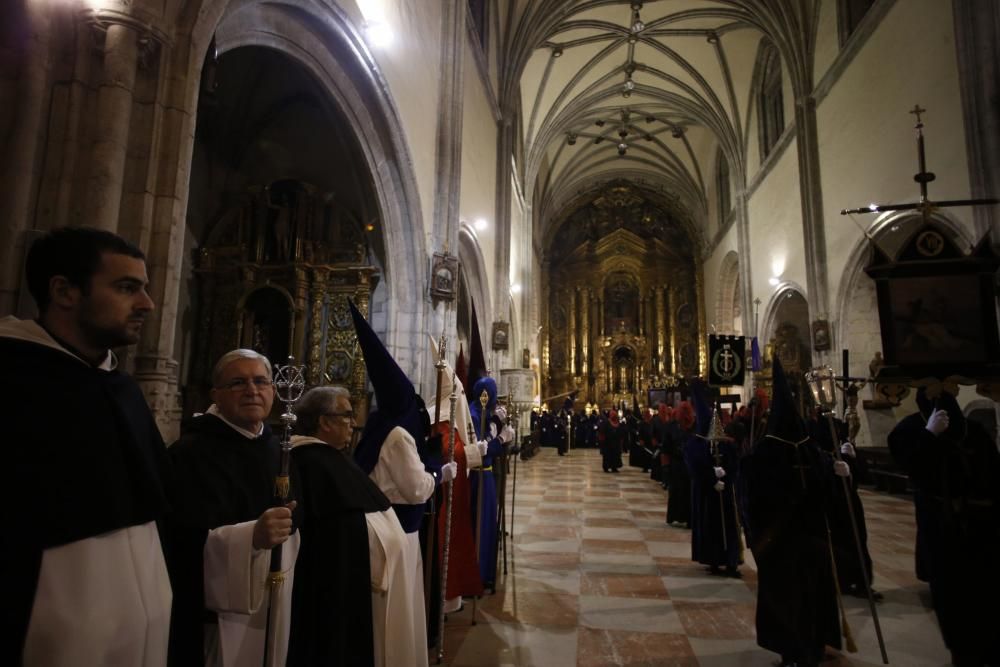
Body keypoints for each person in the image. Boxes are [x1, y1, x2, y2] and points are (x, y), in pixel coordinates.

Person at [2, 227, 171, 667]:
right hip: (52, 616)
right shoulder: (14, 378)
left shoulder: (124, 390)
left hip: (141, 619)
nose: (147, 304)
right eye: (126, 288)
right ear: (64, 291)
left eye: (145, 289)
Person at [165, 349, 301, 667]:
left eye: (261, 381)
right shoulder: (189, 454)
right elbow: (177, 539)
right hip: (217, 613)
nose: (252, 390)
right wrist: (250, 538)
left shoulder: (279, 448)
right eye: (238, 383)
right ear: (216, 395)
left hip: (276, 600)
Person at [348, 301, 456, 667]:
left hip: (383, 527)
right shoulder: (398, 436)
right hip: (397, 531)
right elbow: (416, 489)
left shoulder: (380, 425)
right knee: (395, 611)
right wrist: (438, 471)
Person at [286, 386, 411, 667]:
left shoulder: (331, 456)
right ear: (324, 421)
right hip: (332, 587)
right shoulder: (309, 460)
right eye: (346, 415)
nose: (353, 423)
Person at [742, 357, 843, 667]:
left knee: (793, 595)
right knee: (806, 594)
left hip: (782, 540)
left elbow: (748, 495)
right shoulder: (809, 449)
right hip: (803, 537)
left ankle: (795, 648)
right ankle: (808, 645)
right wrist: (835, 475)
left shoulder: (765, 453)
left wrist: (838, 473)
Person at [888, 389, 1000, 666]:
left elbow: (993, 472)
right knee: (951, 597)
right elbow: (912, 467)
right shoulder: (910, 429)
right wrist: (928, 436)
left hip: (980, 525)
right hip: (940, 526)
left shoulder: (973, 429)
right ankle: (963, 653)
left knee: (985, 592)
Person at [425, 338, 485, 615]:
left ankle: (453, 596)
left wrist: (476, 453)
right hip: (441, 502)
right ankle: (444, 597)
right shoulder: (435, 422)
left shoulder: (450, 421)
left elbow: (462, 452)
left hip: (456, 500)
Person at [807, 410, 879, 601]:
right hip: (830, 505)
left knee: (858, 541)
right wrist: (833, 472)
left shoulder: (844, 448)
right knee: (839, 544)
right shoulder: (817, 452)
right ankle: (842, 580)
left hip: (851, 503)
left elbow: (863, 478)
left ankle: (863, 580)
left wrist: (854, 461)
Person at [685, 384, 742, 578]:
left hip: (726, 492)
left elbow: (734, 462)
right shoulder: (696, 443)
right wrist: (711, 477)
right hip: (709, 493)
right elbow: (695, 467)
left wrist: (727, 475)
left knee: (728, 527)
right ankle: (714, 560)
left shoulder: (725, 442)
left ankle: (732, 561)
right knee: (711, 527)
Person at [468, 375, 516, 591]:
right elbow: (482, 451)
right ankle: (478, 575)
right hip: (480, 476)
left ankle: (485, 573)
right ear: (486, 395)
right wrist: (500, 439)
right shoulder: (475, 415)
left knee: (488, 527)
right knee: (482, 526)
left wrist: (498, 426)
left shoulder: (482, 412)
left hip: (486, 476)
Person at [665, 401, 695, 527]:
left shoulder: (696, 426)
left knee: (690, 492)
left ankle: (690, 518)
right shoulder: (672, 427)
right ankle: (674, 516)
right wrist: (665, 467)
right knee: (677, 491)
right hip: (677, 464)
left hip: (692, 464)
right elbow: (666, 448)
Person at [598, 408, 625, 473]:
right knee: (607, 455)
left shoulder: (618, 423)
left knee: (616, 455)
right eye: (612, 415)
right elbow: (602, 431)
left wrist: (621, 439)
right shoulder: (606, 422)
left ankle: (614, 467)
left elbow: (621, 431)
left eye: (614, 415)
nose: (613, 416)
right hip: (607, 442)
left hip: (616, 442)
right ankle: (606, 467)